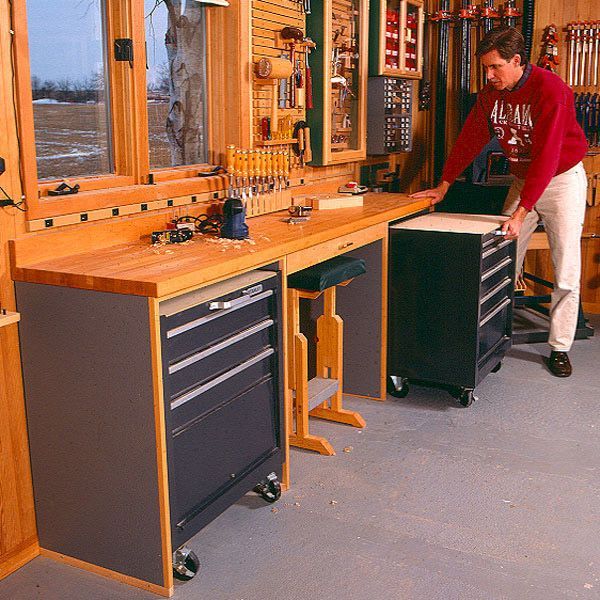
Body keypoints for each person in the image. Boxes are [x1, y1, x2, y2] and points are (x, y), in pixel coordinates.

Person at [411, 26, 588, 378]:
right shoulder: (491, 95)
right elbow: (470, 138)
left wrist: (523, 211)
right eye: (485, 68)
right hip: (524, 180)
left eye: (495, 68)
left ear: (517, 61)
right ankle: (493, 337)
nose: (489, 76)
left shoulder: (551, 90)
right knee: (503, 258)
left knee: (566, 268)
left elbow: (548, 156)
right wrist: (443, 184)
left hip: (561, 180)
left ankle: (559, 347)